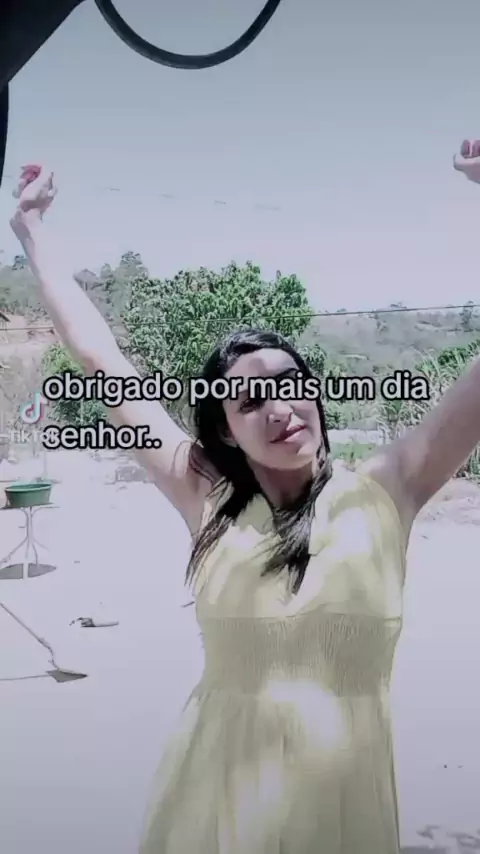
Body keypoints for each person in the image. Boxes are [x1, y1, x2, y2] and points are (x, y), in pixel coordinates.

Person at [8, 144, 480, 854]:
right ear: (226, 429)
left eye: (290, 384)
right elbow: (100, 359)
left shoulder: (390, 488)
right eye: (251, 400)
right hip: (214, 812)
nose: (280, 408)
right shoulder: (204, 493)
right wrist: (33, 230)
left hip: (345, 816)